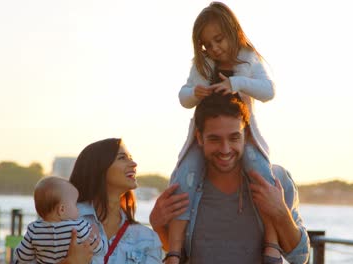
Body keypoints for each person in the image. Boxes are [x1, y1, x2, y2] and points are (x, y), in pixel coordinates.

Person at [169, 1, 280, 262]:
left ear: (232, 32)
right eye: (207, 44)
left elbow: (269, 91)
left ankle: (272, 242)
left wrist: (237, 83)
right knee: (184, 177)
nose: (214, 48)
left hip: (243, 137)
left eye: (218, 39)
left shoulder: (248, 58)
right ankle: (175, 250)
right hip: (205, 139)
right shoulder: (202, 64)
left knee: (263, 173)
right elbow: (183, 97)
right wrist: (194, 93)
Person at [157, 93, 310, 264]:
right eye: (215, 139)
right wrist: (156, 224)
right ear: (199, 138)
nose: (225, 149)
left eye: (234, 137)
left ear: (246, 136)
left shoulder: (276, 180)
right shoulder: (185, 184)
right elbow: (177, 252)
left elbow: (299, 258)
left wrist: (280, 212)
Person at [69, 138, 162, 263]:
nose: (134, 164)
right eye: (122, 158)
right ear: (99, 166)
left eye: (130, 157)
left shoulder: (147, 239)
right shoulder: (65, 220)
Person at [14, 176, 104, 263]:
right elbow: (98, 248)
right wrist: (97, 238)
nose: (77, 208)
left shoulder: (33, 230)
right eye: (75, 204)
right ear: (62, 210)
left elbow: (22, 256)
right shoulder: (79, 226)